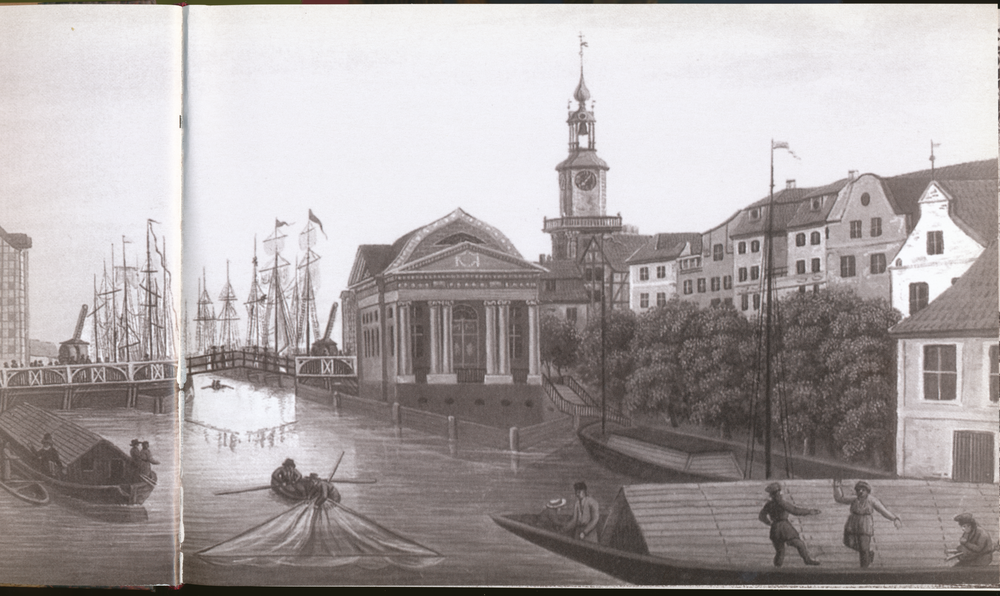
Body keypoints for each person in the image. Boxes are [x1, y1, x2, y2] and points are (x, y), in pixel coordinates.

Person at [833, 479, 902, 568]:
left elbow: (883, 511)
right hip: (852, 523)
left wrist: (895, 518)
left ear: (867, 491)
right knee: (848, 542)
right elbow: (840, 499)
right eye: (858, 490)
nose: (860, 492)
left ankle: (864, 570)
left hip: (865, 524)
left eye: (863, 490)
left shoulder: (872, 500)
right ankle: (868, 552)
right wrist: (836, 487)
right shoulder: (854, 499)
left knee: (863, 548)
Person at [758, 482, 822, 567]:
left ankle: (776, 569)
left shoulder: (768, 504)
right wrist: (810, 511)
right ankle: (807, 560)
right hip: (785, 528)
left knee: (780, 552)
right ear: (778, 493)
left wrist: (769, 523)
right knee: (799, 544)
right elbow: (795, 511)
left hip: (775, 529)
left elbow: (761, 516)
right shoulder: (782, 503)